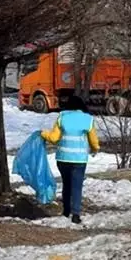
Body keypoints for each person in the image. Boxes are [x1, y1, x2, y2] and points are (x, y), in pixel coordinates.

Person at [40, 94, 99, 224]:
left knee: (67, 184)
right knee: (77, 186)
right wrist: (95, 149)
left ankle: (66, 211)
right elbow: (93, 141)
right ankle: (76, 214)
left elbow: (54, 138)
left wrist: (43, 134)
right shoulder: (87, 119)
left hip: (63, 158)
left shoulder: (62, 117)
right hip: (79, 160)